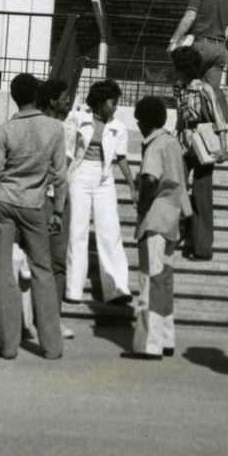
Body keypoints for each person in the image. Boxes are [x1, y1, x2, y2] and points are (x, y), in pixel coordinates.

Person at [0, 72, 67, 359]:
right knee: (43, 270)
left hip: (6, 204)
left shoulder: (4, 131)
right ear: (37, 96)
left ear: (14, 97)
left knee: (3, 271)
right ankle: (51, 345)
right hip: (35, 205)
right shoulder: (54, 129)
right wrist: (59, 210)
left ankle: (8, 344)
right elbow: (60, 177)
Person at [64, 78, 136, 306]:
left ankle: (117, 288)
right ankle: (73, 290)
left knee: (110, 231)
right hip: (80, 175)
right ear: (100, 102)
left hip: (105, 178)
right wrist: (61, 182)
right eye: (113, 102)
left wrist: (133, 187)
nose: (116, 107)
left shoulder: (119, 127)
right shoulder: (77, 119)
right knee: (78, 231)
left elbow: (122, 158)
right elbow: (67, 153)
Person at [132, 94, 191, 359]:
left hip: (155, 218)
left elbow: (150, 180)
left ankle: (150, 343)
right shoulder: (173, 143)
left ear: (143, 122)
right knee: (165, 282)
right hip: (172, 219)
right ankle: (166, 338)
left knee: (150, 280)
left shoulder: (154, 145)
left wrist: (142, 204)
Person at [171, 44, 228, 260]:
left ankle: (202, 247)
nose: (174, 71)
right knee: (175, 187)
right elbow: (180, 119)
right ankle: (175, 231)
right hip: (183, 143)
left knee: (202, 194)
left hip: (204, 143)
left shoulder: (206, 89)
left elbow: (219, 119)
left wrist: (223, 148)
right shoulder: (178, 89)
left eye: (177, 67)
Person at [36, 76, 75, 338]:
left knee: (57, 262)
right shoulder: (35, 126)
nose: (69, 101)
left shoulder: (67, 130)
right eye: (64, 97)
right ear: (52, 101)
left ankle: (52, 321)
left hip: (56, 200)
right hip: (37, 200)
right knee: (37, 261)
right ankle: (31, 318)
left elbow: (62, 168)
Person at [167, 0, 228, 90]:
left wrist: (173, 41)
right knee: (210, 95)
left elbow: (190, 16)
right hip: (220, 50)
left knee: (182, 87)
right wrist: (216, 41)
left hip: (200, 47)